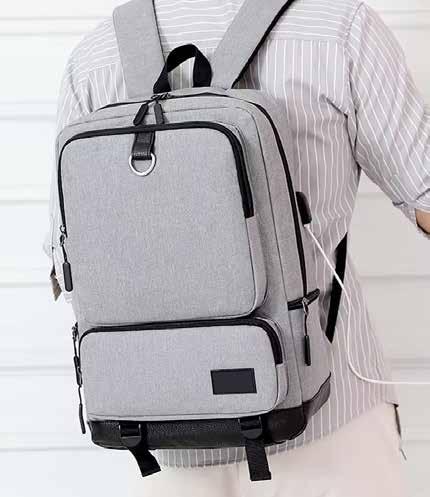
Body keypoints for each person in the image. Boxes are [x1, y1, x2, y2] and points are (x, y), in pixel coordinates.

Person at [47, 0, 430, 495]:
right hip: (331, 426)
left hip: (162, 438)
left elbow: (67, 263)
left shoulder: (94, 59)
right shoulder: (338, 29)